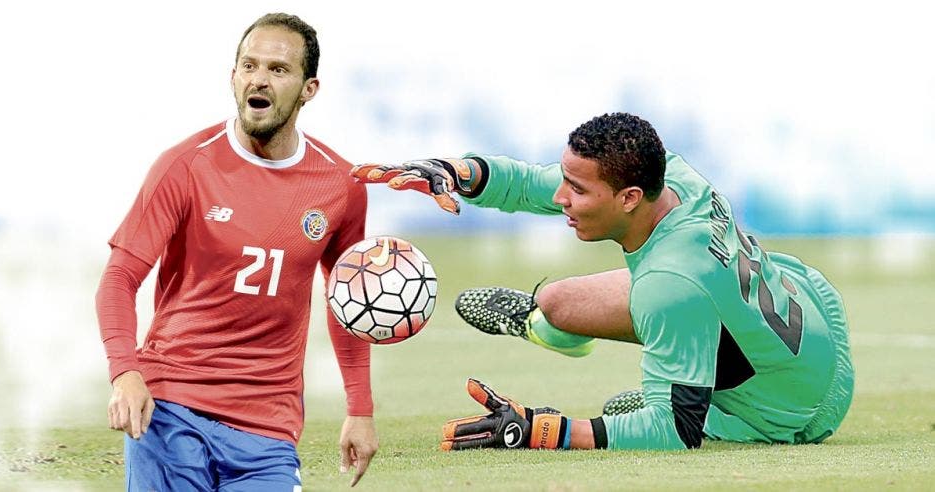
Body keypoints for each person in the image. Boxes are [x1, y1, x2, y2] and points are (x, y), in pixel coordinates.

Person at [352, 112, 854, 451]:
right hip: (813, 315)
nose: (560, 198)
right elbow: (529, 184)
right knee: (555, 302)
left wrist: (542, 430)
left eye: (576, 189)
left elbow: (675, 431)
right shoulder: (669, 175)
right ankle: (548, 325)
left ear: (630, 197)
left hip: (790, 409)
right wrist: (453, 171)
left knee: (664, 398)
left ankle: (694, 390)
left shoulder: (668, 283)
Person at [96, 13, 377, 489]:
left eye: (278, 69)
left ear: (309, 89)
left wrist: (360, 408)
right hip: (171, 409)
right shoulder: (185, 166)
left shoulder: (340, 186)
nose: (259, 78)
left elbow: (348, 300)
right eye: (249, 66)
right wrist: (125, 372)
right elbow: (119, 278)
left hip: (268, 426)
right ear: (233, 77)